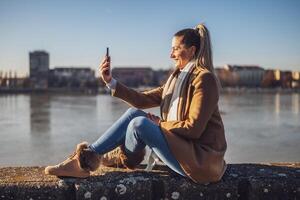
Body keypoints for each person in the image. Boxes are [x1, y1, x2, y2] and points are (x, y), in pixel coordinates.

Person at [45, 23, 227, 184]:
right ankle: (86, 159)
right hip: (182, 150)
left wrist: (160, 124)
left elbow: (193, 128)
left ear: (192, 50)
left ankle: (90, 161)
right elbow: (142, 100)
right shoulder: (178, 79)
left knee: (140, 124)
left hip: (200, 162)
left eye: (175, 49)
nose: (171, 54)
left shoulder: (204, 79)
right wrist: (110, 81)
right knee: (135, 114)